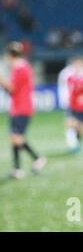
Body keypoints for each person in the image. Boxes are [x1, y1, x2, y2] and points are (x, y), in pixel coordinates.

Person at [0, 42, 46, 179]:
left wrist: (1, 78)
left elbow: (12, 89)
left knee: (16, 137)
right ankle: (17, 169)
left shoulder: (19, 68)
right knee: (15, 137)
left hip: (21, 107)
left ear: (9, 55)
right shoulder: (23, 66)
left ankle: (37, 158)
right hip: (20, 106)